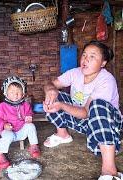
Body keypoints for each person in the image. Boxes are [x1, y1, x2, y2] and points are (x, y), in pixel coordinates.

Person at [43, 40, 122, 180]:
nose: (86, 59)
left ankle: (110, 170)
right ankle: (62, 135)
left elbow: (86, 112)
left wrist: (61, 105)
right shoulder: (75, 73)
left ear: (103, 63)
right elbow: (51, 83)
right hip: (85, 122)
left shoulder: (106, 80)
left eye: (92, 56)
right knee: (54, 96)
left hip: (107, 125)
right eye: (84, 55)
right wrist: (50, 90)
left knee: (97, 105)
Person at [0, 76, 40, 170]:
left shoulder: (25, 105)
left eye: (18, 92)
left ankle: (34, 146)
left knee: (31, 126)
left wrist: (29, 117)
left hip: (21, 131)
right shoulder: (2, 107)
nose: (15, 95)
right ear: (6, 93)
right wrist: (4, 125)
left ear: (23, 94)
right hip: (9, 132)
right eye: (12, 92)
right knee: (7, 136)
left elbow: (29, 113)